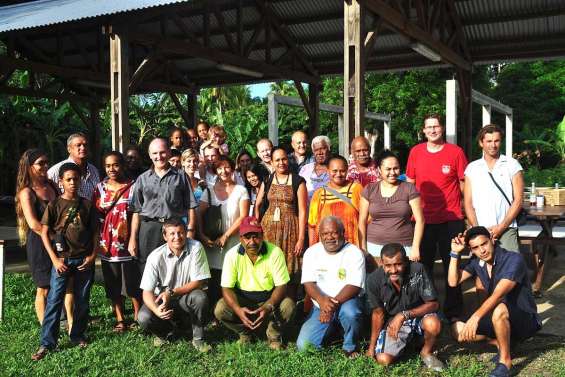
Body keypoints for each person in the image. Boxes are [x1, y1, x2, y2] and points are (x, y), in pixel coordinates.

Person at [449, 226, 541, 377]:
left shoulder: (513, 259)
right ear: (472, 250)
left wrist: (476, 317)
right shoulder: (477, 262)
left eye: (484, 244)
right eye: (476, 248)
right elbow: (453, 281)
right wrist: (454, 253)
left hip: (525, 319)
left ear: (492, 239)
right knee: (457, 330)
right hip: (498, 319)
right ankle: (502, 341)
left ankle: (505, 362)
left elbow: (498, 295)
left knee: (499, 310)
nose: (482, 250)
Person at [32, 163, 98, 360]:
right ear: (60, 182)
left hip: (83, 260)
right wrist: (54, 260)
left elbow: (95, 233)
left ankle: (77, 335)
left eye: (75, 179)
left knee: (82, 300)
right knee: (54, 300)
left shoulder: (87, 205)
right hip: (61, 260)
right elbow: (44, 233)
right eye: (68, 179)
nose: (72, 183)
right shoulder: (54, 206)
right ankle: (47, 342)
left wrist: (92, 256)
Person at [405, 114, 468, 321]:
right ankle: (428, 310)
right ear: (423, 131)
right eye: (429, 127)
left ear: (442, 128)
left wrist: (465, 212)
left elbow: (463, 185)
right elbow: (410, 184)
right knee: (423, 268)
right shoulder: (415, 152)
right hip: (423, 220)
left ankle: (454, 313)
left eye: (436, 126)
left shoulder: (455, 152)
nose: (433, 130)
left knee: (453, 264)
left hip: (451, 219)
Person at [214, 216, 296, 349]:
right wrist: (237, 309)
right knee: (220, 309)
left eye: (256, 236)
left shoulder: (275, 252)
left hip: (268, 299)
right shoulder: (231, 255)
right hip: (243, 299)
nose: (252, 241)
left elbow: (281, 286)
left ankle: (273, 336)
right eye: (247, 237)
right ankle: (245, 333)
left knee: (288, 305)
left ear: (262, 236)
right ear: (240, 238)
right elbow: (226, 288)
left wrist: (268, 306)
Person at [365, 243, 444, 371]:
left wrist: (403, 315)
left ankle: (426, 352)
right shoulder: (373, 280)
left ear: (406, 261)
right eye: (388, 265)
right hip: (394, 324)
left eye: (398, 264)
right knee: (383, 359)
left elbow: (434, 304)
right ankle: (410, 343)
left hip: (419, 316)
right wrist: (371, 348)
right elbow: (377, 314)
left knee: (433, 323)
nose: (394, 270)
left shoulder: (418, 269)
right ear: (381, 263)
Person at [16, 149, 73, 325]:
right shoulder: (26, 192)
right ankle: (46, 329)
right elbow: (33, 224)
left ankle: (70, 324)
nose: (45, 166)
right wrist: (55, 236)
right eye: (40, 163)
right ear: (30, 167)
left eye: (46, 162)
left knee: (66, 282)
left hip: (60, 241)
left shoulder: (52, 186)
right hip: (39, 243)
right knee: (44, 289)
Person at [138, 219, 212, 352]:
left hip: (186, 298)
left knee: (199, 297)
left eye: (180, 233)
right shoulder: (155, 257)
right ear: (165, 236)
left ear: (186, 233)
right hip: (162, 301)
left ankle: (198, 339)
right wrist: (156, 310)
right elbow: (147, 292)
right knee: (143, 317)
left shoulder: (196, 247)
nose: (177, 237)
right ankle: (165, 333)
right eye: (172, 234)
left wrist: (171, 293)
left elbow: (198, 282)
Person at [296, 217, 365, 357]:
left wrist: (330, 306)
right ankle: (335, 332)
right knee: (304, 347)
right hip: (320, 306)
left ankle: (350, 347)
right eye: (325, 234)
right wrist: (322, 302)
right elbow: (308, 283)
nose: (329, 237)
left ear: (343, 232)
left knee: (351, 313)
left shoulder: (354, 253)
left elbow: (354, 286)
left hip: (346, 302)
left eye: (334, 233)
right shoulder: (311, 252)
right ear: (319, 235)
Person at [128, 138, 198, 274]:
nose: (158, 157)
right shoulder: (142, 179)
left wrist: (190, 231)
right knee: (148, 269)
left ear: (169, 153)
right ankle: (150, 296)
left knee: (175, 269)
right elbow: (136, 211)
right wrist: (133, 239)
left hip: (174, 228)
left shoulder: (181, 176)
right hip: (149, 229)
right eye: (154, 153)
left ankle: (172, 295)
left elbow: (191, 206)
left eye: (162, 152)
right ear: (149, 155)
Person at [93, 152, 141, 332]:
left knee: (132, 283)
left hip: (128, 243)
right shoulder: (99, 188)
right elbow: (95, 215)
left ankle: (137, 316)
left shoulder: (133, 186)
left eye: (115, 165)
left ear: (123, 166)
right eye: (108, 166)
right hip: (107, 244)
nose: (112, 169)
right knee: (112, 283)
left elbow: (137, 212)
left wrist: (134, 239)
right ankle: (120, 318)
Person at [255, 148, 307, 299]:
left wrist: (301, 238)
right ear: (271, 162)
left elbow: (303, 211)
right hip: (268, 230)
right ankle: (270, 303)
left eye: (284, 159)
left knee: (289, 267)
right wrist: (257, 226)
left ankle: (288, 306)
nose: (281, 163)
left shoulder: (298, 181)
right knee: (269, 264)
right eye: (277, 160)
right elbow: (258, 204)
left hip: (290, 230)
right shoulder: (268, 180)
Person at [198, 156, 250, 308]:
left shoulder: (241, 190)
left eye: (227, 167)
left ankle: (232, 309)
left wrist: (226, 235)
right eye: (220, 168)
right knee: (214, 278)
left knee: (232, 276)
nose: (223, 171)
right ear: (215, 171)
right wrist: (202, 235)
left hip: (233, 241)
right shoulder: (209, 191)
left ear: (232, 168)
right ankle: (214, 312)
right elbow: (199, 214)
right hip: (213, 242)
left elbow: (243, 216)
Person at [464, 124, 523, 252]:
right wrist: (478, 230)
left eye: (496, 141)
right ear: (481, 143)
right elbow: (468, 203)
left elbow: (518, 200)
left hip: (507, 228)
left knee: (511, 268)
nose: (493, 145)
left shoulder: (512, 165)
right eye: (489, 141)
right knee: (481, 270)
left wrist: (501, 227)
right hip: (480, 230)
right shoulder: (472, 168)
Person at [359, 150, 424, 263]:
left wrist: (415, 247)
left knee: (403, 279)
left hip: (404, 247)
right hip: (374, 247)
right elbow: (362, 221)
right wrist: (363, 248)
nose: (392, 172)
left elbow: (420, 220)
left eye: (396, 168)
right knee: (376, 279)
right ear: (379, 170)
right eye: (388, 169)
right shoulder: (369, 189)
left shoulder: (409, 188)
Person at [308, 156, 363, 247]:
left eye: (342, 171)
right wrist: (312, 248)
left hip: (352, 246)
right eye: (334, 171)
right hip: (327, 246)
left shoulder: (356, 189)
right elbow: (312, 225)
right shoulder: (320, 194)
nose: (338, 174)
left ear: (347, 170)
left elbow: (366, 220)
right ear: (328, 171)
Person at [48, 133, 100, 200]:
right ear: (69, 149)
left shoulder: (94, 170)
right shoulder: (56, 171)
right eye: (78, 145)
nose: (83, 148)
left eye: (85, 145)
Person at [299, 135, 331, 202]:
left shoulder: (335, 170)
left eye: (323, 148)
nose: (319, 153)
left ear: (329, 149)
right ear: (313, 152)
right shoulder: (305, 170)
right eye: (316, 150)